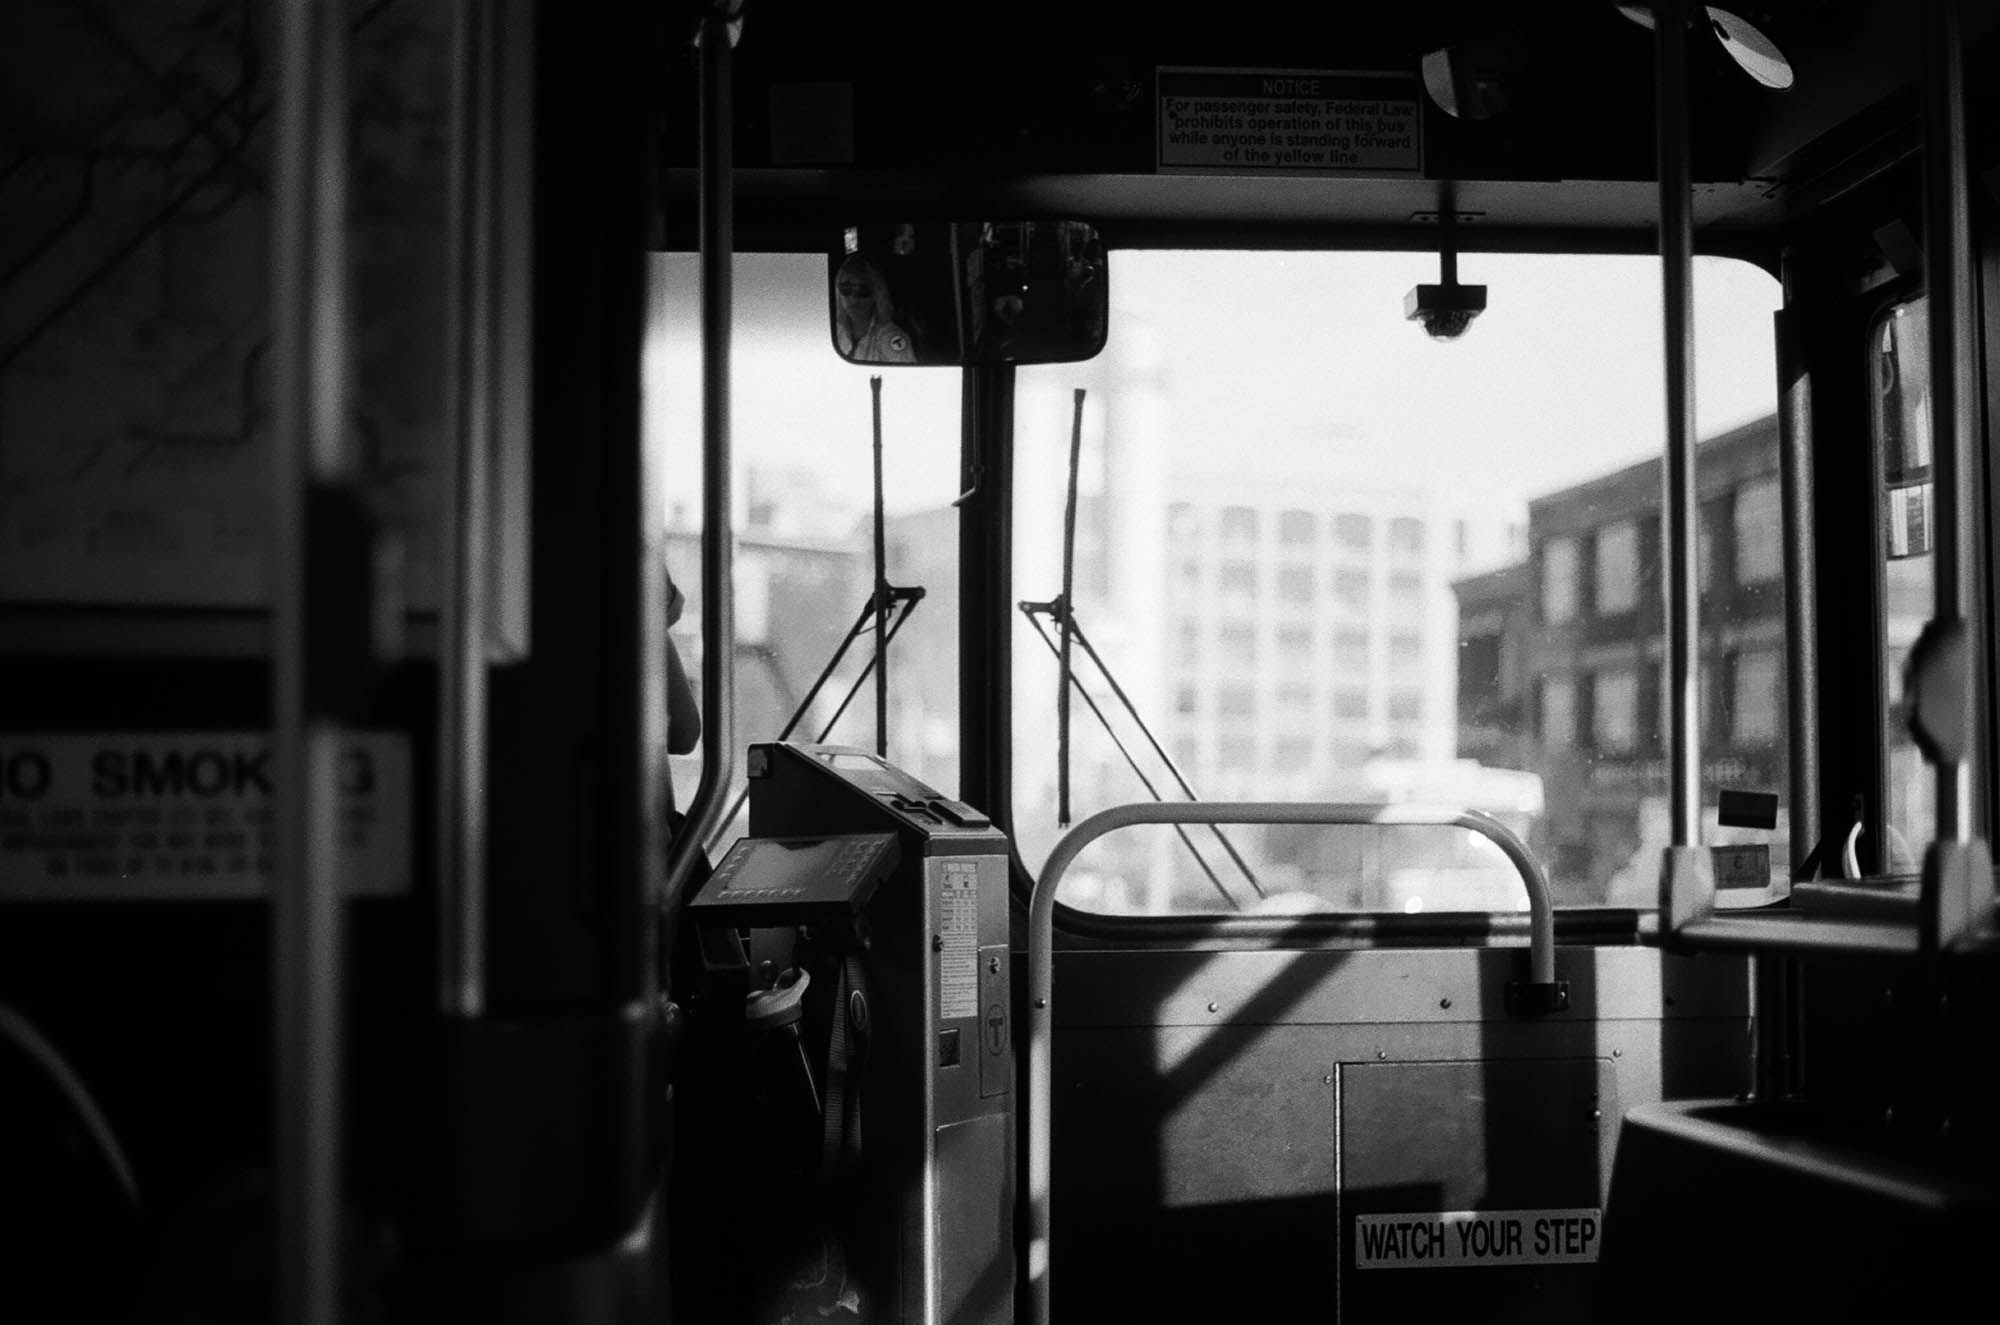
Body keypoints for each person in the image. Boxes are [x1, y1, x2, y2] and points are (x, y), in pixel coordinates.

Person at [833, 254, 916, 364]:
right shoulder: (834, 331)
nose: (853, 298)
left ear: (877, 295)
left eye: (863, 291)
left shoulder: (891, 336)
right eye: (846, 289)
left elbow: (906, 376)